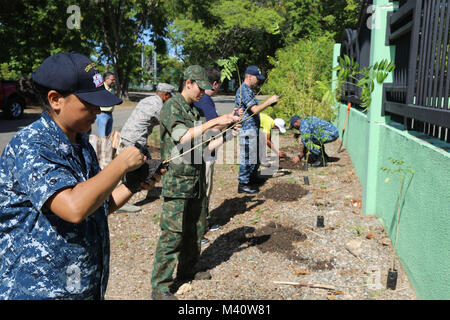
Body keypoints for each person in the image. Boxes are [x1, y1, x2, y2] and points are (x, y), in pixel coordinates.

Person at [0, 52, 163, 300]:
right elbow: (74, 207)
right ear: (56, 100)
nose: (98, 110)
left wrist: (132, 184)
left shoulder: (80, 143)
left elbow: (96, 206)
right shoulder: (32, 144)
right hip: (37, 290)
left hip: (81, 288)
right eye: (89, 102)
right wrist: (119, 165)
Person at [151, 65, 240, 300]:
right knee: (173, 234)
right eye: (200, 87)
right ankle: (160, 287)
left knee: (195, 230)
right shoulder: (173, 106)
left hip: (196, 181)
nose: (203, 92)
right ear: (188, 83)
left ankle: (187, 271)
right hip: (178, 184)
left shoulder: (194, 110)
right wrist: (216, 121)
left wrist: (228, 131)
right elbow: (182, 136)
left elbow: (204, 148)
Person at [115, 83, 175, 213]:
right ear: (166, 95)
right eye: (170, 97)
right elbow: (169, 124)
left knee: (149, 165)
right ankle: (119, 203)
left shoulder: (148, 100)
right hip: (135, 140)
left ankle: (152, 191)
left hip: (129, 135)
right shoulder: (158, 106)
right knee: (128, 171)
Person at [235, 65, 279, 194]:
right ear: (249, 76)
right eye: (257, 78)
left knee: (256, 154)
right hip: (247, 129)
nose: (258, 80)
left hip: (253, 128)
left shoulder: (249, 90)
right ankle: (243, 183)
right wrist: (268, 101)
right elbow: (254, 110)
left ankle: (252, 177)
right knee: (247, 156)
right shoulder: (243, 90)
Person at [193, 67, 223, 245]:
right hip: (204, 153)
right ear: (214, 83)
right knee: (203, 191)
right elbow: (213, 127)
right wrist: (228, 123)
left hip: (201, 151)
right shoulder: (206, 100)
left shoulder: (201, 100)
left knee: (204, 191)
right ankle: (199, 230)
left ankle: (204, 223)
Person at [96, 72, 116, 136]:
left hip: (110, 114)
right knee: (102, 136)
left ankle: (107, 146)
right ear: (107, 79)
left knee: (108, 136)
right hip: (102, 114)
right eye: (112, 79)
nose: (114, 81)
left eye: (114, 80)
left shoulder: (111, 89)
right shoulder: (100, 88)